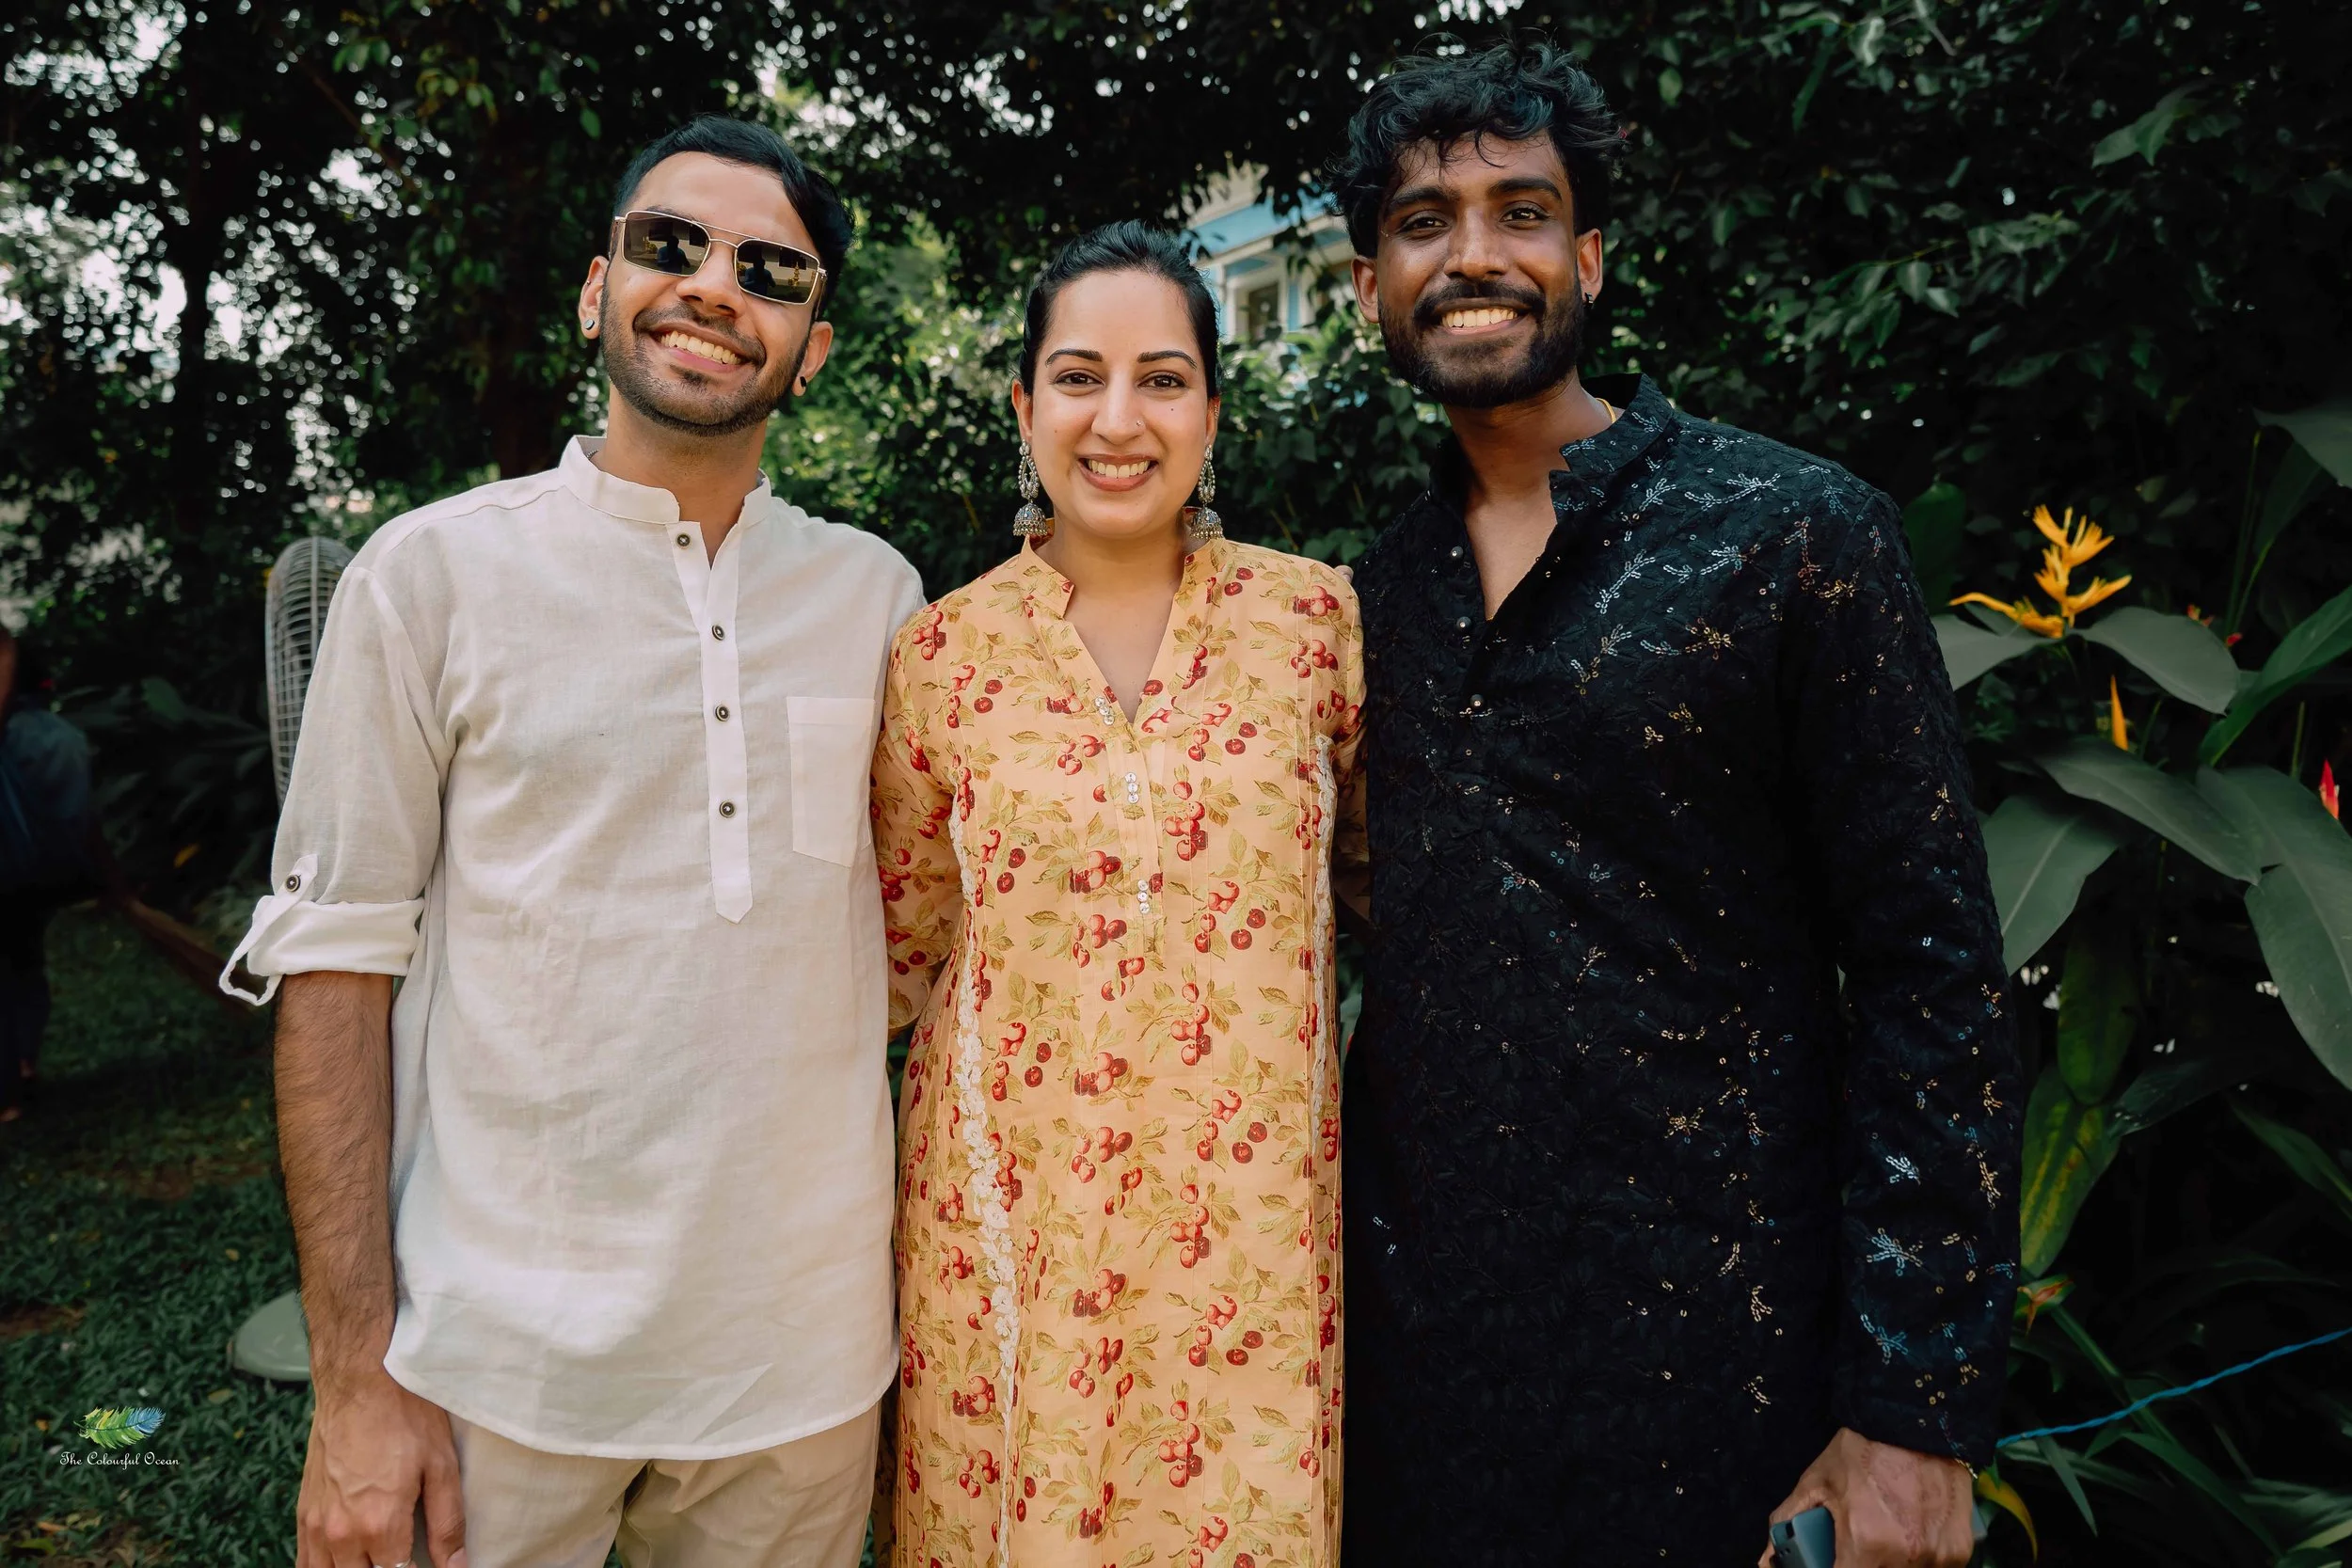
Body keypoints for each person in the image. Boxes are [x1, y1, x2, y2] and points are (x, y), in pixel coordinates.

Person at [1329, 42, 2021, 1568]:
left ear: (1588, 258)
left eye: (1522, 211)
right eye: (1425, 222)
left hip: (1736, 1404)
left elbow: (1935, 979)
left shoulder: (1793, 534)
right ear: (1372, 285)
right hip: (1423, 1418)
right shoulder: (1356, 610)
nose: (1474, 255)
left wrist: (1915, 1407)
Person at [222, 116, 923, 1568]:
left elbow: (923, 928)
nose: (714, 286)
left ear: (813, 348)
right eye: (672, 245)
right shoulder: (430, 576)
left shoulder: (880, 600)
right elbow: (334, 973)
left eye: (770, 270)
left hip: (801, 1372)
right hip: (493, 1368)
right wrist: (353, 1380)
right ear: (600, 288)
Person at [872, 222, 1361, 1568]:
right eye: (1079, 377)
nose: (1119, 419)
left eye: (1163, 378)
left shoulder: (1316, 626)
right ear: (1023, 405)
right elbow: (903, 948)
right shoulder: (940, 656)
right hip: (1015, 1237)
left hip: (1255, 1246)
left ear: (1213, 409)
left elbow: (1382, 892)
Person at [0, 628, 99, 1123]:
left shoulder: (12, 737)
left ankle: (8, 1092)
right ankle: (25, 1062)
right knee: (26, 963)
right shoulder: (66, 738)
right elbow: (83, 816)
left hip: (9, 868)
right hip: (47, 875)